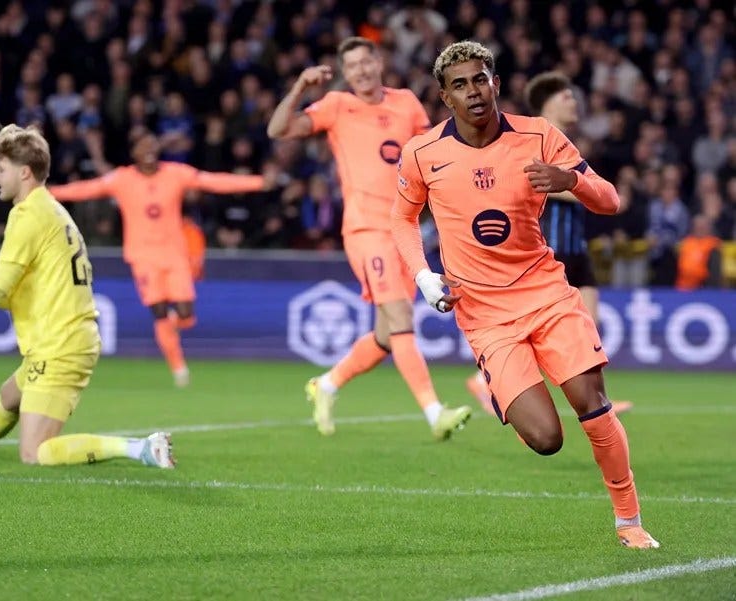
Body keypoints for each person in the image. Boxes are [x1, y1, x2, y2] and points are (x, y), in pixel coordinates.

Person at [391, 41, 658, 548]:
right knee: (546, 440)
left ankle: (629, 521)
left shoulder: (539, 135)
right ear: (445, 97)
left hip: (547, 293)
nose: (474, 91)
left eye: (481, 78)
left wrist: (570, 179)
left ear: (496, 82)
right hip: (485, 315)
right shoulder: (423, 153)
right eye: (461, 84)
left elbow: (611, 199)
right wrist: (424, 277)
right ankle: (502, 391)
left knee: (592, 403)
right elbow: (402, 218)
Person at [0, 124, 174, 469]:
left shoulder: (27, 214)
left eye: (0, 168)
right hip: (63, 339)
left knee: (35, 452)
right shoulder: (53, 210)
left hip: (60, 345)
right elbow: (8, 291)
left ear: (24, 172)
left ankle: (140, 449)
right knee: (9, 397)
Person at [267, 36, 471, 440]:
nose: (360, 70)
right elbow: (278, 129)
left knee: (385, 335)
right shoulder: (337, 106)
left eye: (366, 61)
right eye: (352, 66)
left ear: (379, 62)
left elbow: (430, 156)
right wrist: (300, 89)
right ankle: (435, 414)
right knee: (401, 319)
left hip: (405, 227)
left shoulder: (407, 102)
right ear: (345, 73)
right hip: (366, 230)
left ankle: (325, 385)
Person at [467, 71, 635, 415]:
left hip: (576, 248)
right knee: (555, 332)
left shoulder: (566, 142)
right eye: (566, 97)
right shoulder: (532, 138)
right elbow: (534, 184)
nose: (574, 102)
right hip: (549, 247)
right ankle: (488, 381)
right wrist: (581, 186)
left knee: (588, 327)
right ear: (546, 105)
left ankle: (597, 397)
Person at [50, 132, 269, 388]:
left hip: (175, 254)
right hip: (143, 257)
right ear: (134, 154)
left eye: (153, 145)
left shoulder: (175, 173)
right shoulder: (122, 179)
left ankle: (170, 332)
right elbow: (86, 189)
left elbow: (212, 181)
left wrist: (257, 182)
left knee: (186, 314)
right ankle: (178, 369)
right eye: (143, 147)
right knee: (160, 311)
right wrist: (50, 192)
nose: (150, 150)